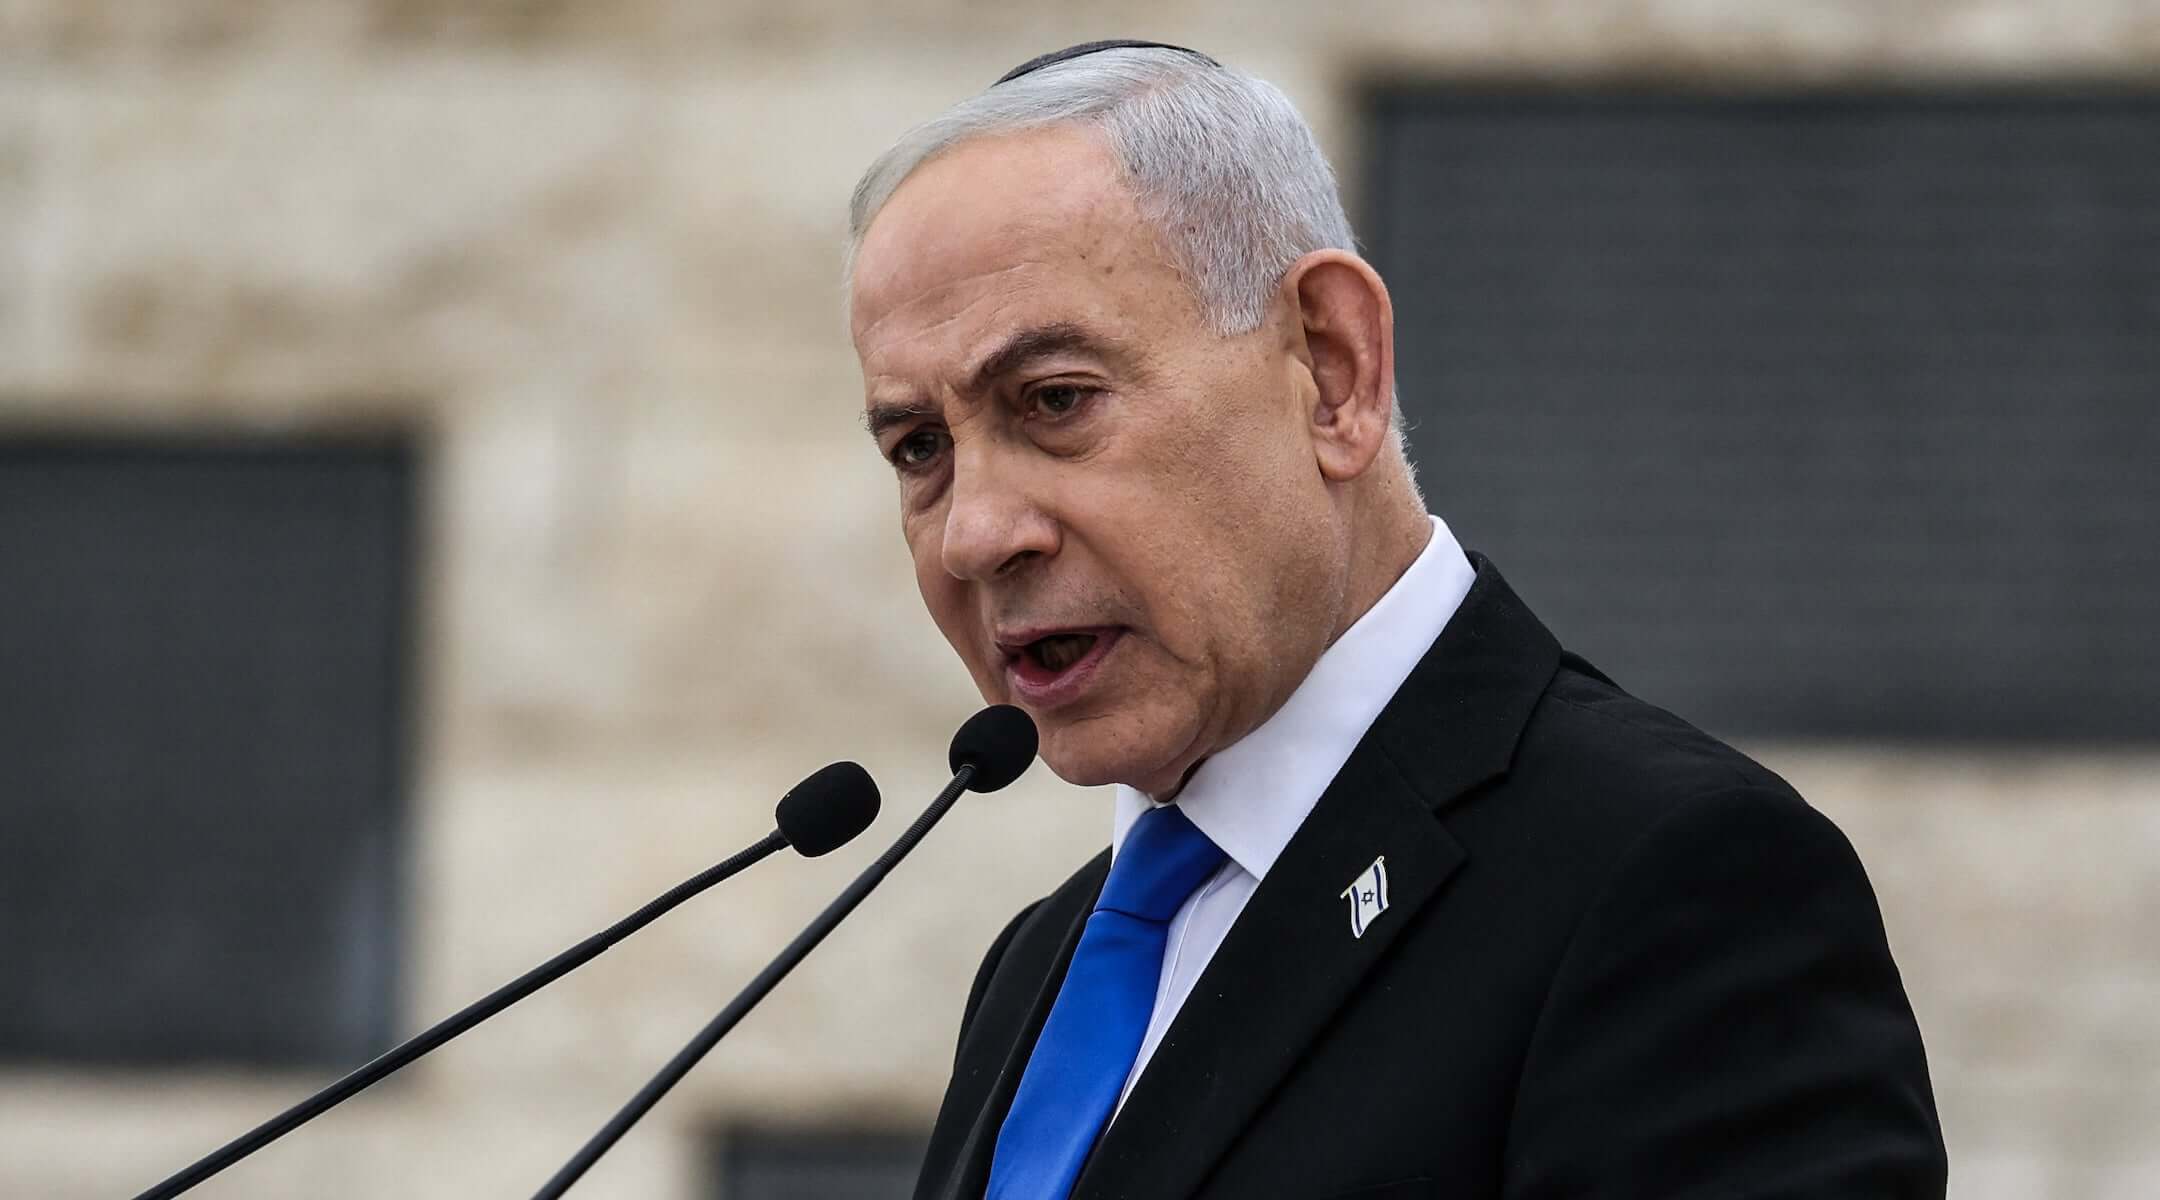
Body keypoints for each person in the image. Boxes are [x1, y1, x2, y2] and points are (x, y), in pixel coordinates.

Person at [845, 40, 1947, 1200]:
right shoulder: (1038, 969)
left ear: (1331, 370)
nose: (976, 534)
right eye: (920, 448)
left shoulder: (1674, 881)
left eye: (1056, 401)